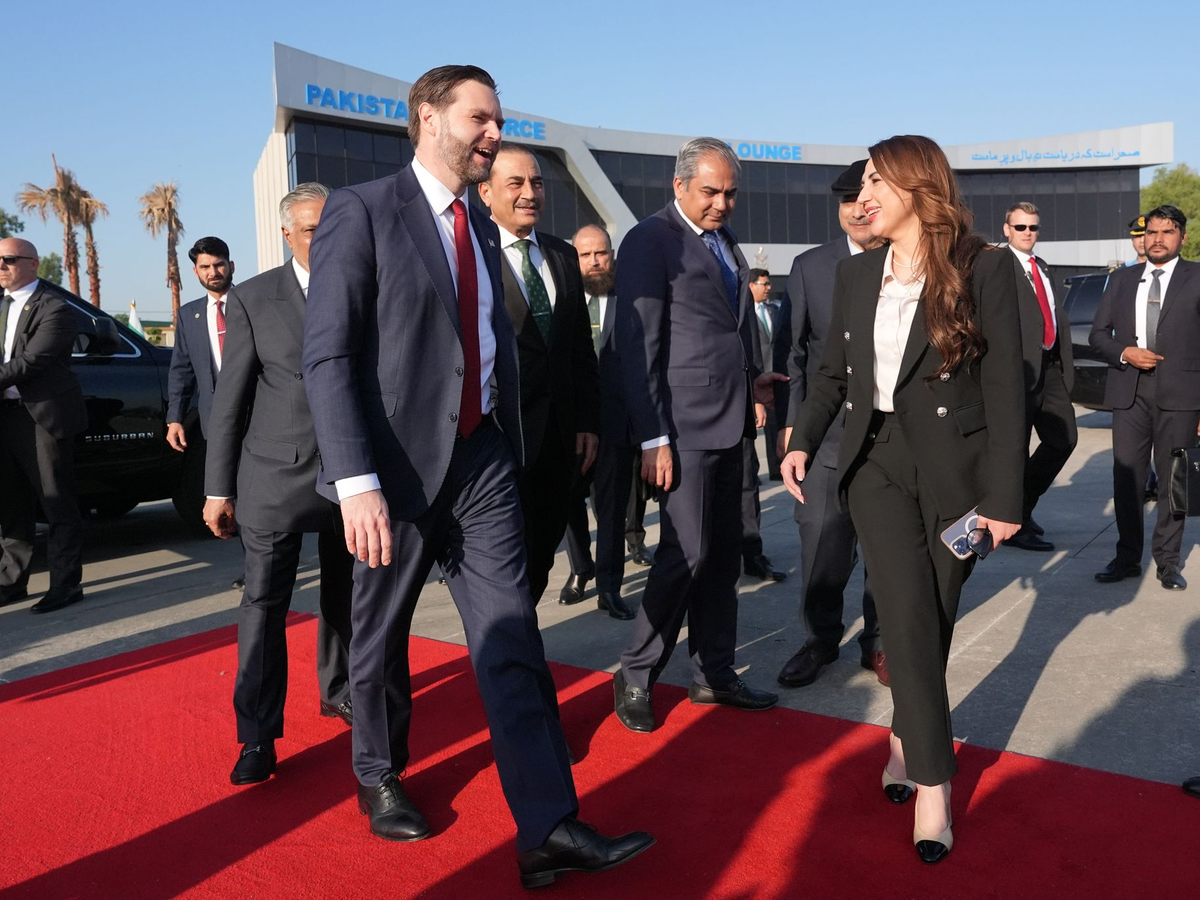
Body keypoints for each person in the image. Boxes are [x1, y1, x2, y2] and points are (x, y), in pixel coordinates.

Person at [302, 64, 652, 888]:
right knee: (380, 632)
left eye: (498, 120)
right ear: (429, 118)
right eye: (480, 119)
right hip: (392, 470)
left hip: (483, 459)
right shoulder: (363, 210)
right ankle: (378, 773)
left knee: (511, 635)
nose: (494, 134)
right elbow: (329, 355)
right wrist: (355, 481)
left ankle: (548, 826)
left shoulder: (483, 228)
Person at [781, 135, 1025, 863]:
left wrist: (1005, 496)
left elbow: (1006, 388)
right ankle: (933, 784)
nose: (862, 198)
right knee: (907, 614)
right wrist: (801, 438)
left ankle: (901, 737)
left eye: (876, 183)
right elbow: (831, 374)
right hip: (876, 463)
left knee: (934, 617)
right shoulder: (857, 274)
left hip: (957, 472)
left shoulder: (984, 267)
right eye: (861, 186)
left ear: (918, 188)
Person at [612, 136, 785, 735]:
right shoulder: (649, 240)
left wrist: (753, 379)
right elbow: (638, 345)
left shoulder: (726, 242)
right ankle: (636, 673)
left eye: (730, 194)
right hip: (681, 428)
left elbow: (728, 328)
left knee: (722, 556)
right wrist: (652, 437)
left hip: (732, 423)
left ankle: (714, 672)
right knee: (684, 553)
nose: (721, 203)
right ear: (679, 185)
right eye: (710, 192)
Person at [201, 183, 354, 786]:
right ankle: (258, 735)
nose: (326, 237)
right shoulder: (253, 297)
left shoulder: (366, 283)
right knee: (264, 604)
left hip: (351, 475)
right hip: (272, 476)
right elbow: (230, 402)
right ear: (287, 233)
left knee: (347, 595)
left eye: (333, 225)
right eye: (313, 228)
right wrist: (218, 488)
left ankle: (340, 691)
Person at [776, 159, 887, 688]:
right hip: (826, 437)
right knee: (821, 544)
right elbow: (793, 355)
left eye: (865, 201)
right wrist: (793, 427)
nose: (858, 211)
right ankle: (820, 639)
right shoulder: (810, 267)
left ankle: (880, 642)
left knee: (885, 551)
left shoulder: (906, 260)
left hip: (889, 439)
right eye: (847, 202)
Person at [476, 146, 600, 605]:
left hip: (559, 442)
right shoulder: (471, 254)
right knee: (500, 565)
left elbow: (579, 350)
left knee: (540, 557)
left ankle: (521, 634)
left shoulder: (563, 255)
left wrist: (587, 421)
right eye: (516, 183)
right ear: (486, 192)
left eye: (538, 183)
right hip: (496, 439)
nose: (530, 193)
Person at [1090, 204, 1200, 591]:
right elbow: (1097, 336)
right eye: (1151, 232)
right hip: (1129, 392)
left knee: (1173, 481)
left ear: (1182, 237)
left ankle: (1168, 562)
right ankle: (1126, 557)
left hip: (1182, 395)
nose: (1157, 239)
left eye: (1167, 232)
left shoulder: (1196, 276)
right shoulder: (1121, 279)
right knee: (1127, 480)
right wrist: (1125, 352)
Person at [0, 238, 87, 613]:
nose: (1, 266)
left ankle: (66, 585)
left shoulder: (55, 307)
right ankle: (11, 582)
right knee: (11, 505)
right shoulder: (1, 306)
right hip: (4, 417)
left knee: (57, 504)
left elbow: (32, 361)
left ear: (33, 264)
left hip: (40, 419)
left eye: (8, 259)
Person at [559, 224, 642, 619]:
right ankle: (581, 569)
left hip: (615, 426)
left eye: (601, 253)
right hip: (568, 425)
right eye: (585, 255)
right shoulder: (561, 300)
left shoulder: (633, 302)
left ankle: (609, 587)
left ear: (611, 255)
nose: (594, 262)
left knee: (610, 511)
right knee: (567, 505)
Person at [167, 235, 243, 588]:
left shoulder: (251, 302)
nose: (213, 272)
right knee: (232, 495)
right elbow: (181, 369)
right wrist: (175, 417)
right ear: (196, 272)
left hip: (259, 416)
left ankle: (262, 566)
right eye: (205, 267)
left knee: (256, 494)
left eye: (219, 264)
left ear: (231, 265)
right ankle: (256, 566)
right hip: (216, 421)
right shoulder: (189, 314)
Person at [1001, 202, 1076, 553]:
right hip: (1015, 371)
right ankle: (1012, 522)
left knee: (1064, 439)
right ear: (1007, 230)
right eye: (1020, 227)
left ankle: (1021, 508)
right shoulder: (996, 266)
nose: (1028, 233)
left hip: (1049, 367)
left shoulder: (1041, 266)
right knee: (1015, 450)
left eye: (1033, 227)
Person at [740, 267, 787, 583]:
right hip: (697, 406)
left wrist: (756, 393)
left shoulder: (735, 274)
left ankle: (753, 555)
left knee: (747, 483)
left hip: (744, 398)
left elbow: (750, 344)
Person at [750, 268, 790, 481]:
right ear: (751, 285)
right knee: (755, 426)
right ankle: (751, 472)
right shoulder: (743, 313)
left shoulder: (774, 310)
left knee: (776, 423)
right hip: (755, 377)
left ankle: (778, 468)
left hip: (775, 376)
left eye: (768, 284)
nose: (768, 288)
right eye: (763, 284)